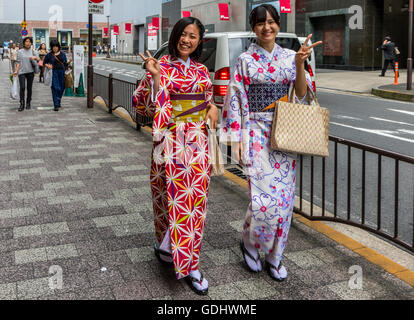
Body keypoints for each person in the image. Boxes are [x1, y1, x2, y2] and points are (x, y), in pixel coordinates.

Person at [221, 4, 321, 281]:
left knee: (285, 201)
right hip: (254, 131)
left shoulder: (292, 57)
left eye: (271, 22)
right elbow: (235, 99)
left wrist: (300, 66)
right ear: (253, 28)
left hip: (285, 132)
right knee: (263, 201)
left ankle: (275, 256)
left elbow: (302, 95)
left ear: (278, 23)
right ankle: (251, 244)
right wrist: (235, 140)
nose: (267, 27)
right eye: (260, 23)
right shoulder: (244, 60)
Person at [132, 17, 219, 295]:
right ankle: (164, 244)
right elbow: (143, 104)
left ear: (199, 41)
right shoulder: (161, 66)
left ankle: (191, 264)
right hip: (168, 141)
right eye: (183, 34)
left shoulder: (203, 70)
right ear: (175, 36)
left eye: (193, 36)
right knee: (163, 197)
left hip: (196, 144)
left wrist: (213, 106)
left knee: (193, 204)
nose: (187, 40)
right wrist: (155, 76)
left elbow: (208, 100)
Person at [13, 37, 40, 111]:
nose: (27, 43)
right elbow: (18, 62)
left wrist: (34, 58)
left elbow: (38, 59)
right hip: (21, 72)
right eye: (26, 41)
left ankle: (28, 102)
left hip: (30, 72)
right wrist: (16, 71)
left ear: (31, 43)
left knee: (29, 88)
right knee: (22, 88)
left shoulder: (33, 51)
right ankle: (22, 104)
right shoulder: (20, 51)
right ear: (24, 43)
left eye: (29, 41)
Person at [43, 40, 69, 111]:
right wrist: (48, 66)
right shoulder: (49, 55)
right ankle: (56, 104)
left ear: (58, 47)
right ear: (51, 47)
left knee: (61, 88)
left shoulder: (63, 54)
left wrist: (68, 63)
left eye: (56, 46)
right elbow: (44, 62)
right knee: (55, 88)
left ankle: (58, 100)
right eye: (53, 46)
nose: (55, 48)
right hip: (53, 72)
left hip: (62, 72)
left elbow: (65, 63)